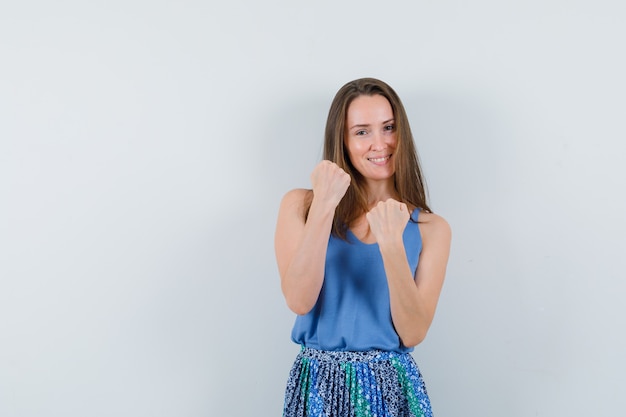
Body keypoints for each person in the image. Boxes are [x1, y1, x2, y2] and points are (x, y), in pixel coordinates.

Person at [274, 78, 451, 417]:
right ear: (342, 140)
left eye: (388, 127)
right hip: (317, 387)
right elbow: (299, 299)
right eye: (362, 132)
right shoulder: (301, 205)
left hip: (391, 388)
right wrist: (325, 205)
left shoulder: (432, 228)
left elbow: (414, 332)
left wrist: (392, 245)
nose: (380, 143)